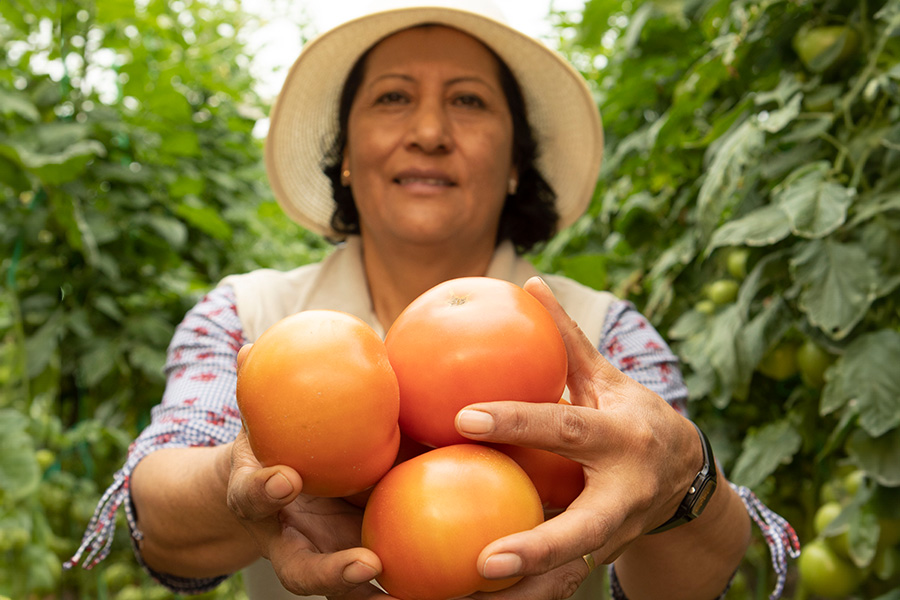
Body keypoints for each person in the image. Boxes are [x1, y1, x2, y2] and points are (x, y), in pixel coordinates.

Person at [67, 1, 800, 599]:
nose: (428, 133)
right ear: (345, 155)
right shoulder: (246, 316)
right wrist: (234, 481)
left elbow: (703, 578)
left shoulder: (605, 336)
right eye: (392, 99)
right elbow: (158, 512)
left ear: (517, 162)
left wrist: (683, 477)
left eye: (468, 102)